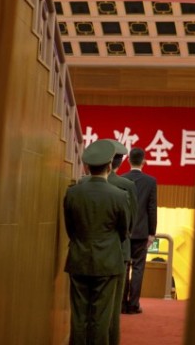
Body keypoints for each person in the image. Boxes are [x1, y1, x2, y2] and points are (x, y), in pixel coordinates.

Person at [63, 139, 130, 345]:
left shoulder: (72, 193)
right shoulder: (120, 196)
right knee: (102, 316)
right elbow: (124, 230)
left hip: (78, 258)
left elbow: (70, 229)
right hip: (108, 262)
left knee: (79, 315)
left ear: (87, 166)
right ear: (110, 165)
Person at [81, 140, 137, 341]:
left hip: (83, 252)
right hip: (117, 252)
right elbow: (130, 223)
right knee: (110, 311)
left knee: (82, 310)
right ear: (117, 163)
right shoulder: (126, 186)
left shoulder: (80, 185)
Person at [121, 146, 158, 314]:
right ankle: (133, 304)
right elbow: (152, 208)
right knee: (138, 268)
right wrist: (152, 233)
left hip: (124, 231)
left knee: (124, 267)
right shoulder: (150, 181)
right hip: (142, 231)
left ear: (128, 160)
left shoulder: (121, 179)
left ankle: (121, 304)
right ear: (144, 162)